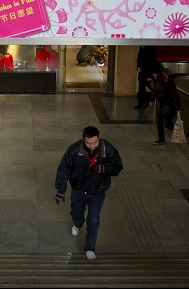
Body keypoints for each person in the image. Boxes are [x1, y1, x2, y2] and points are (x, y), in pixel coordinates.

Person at [54, 126, 123, 260]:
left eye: (95, 142)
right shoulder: (74, 150)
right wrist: (61, 190)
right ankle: (78, 223)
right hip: (78, 191)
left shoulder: (107, 149)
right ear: (83, 141)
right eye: (88, 143)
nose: (92, 146)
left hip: (97, 192)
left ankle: (90, 247)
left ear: (99, 139)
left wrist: (104, 168)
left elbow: (118, 166)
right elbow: (63, 169)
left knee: (94, 220)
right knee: (76, 213)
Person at [148, 63, 181, 146]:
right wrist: (151, 100)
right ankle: (161, 139)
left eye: (155, 73)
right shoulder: (156, 78)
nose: (153, 75)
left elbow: (174, 93)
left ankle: (180, 132)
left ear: (159, 72)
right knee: (159, 122)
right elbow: (156, 90)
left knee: (167, 123)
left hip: (170, 105)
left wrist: (178, 108)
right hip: (161, 104)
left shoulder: (168, 79)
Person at [135, 45, 157, 109]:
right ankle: (143, 102)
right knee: (141, 87)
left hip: (147, 71)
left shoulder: (150, 49)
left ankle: (143, 102)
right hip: (142, 71)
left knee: (142, 86)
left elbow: (150, 60)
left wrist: (141, 67)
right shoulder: (142, 48)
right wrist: (139, 66)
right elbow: (139, 58)